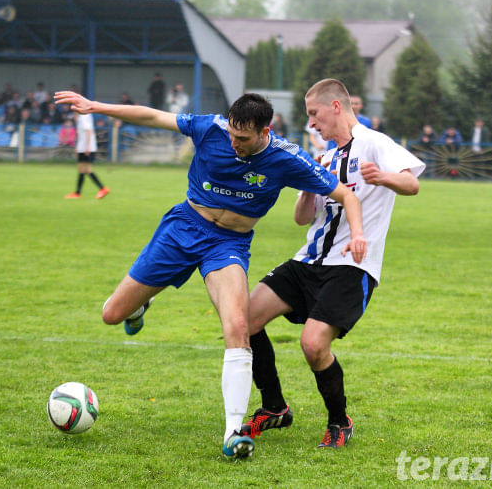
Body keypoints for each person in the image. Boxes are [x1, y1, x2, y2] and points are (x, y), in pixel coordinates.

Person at [54, 89, 367, 458]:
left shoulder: (287, 158)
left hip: (229, 245)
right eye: (232, 134)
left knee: (238, 326)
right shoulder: (212, 128)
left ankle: (233, 433)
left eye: (244, 138)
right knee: (112, 314)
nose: (234, 142)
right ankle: (139, 306)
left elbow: (346, 195)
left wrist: (358, 233)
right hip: (183, 228)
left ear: (265, 132)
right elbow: (154, 116)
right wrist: (97, 105)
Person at [239, 78, 425, 449]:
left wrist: (383, 177)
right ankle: (274, 407)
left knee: (313, 345)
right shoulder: (322, 157)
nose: (311, 123)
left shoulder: (375, 143)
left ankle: (339, 420)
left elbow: (412, 185)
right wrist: (307, 186)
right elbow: (301, 218)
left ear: (335, 107)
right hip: (307, 261)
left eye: (314, 114)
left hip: (352, 266)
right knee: (244, 319)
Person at [64, 113, 109, 200]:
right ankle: (79, 192)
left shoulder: (83, 116)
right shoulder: (84, 116)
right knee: (84, 170)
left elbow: (88, 131)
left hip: (85, 148)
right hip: (83, 147)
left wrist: (87, 146)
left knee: (85, 169)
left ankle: (101, 189)